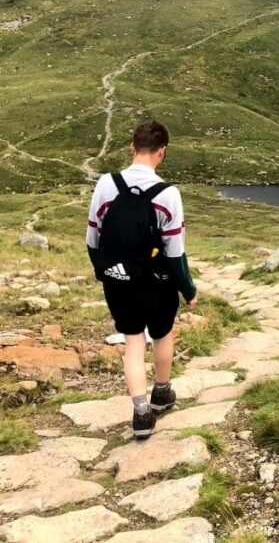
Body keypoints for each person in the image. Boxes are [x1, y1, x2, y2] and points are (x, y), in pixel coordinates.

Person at [85, 121, 198, 439]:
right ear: (162, 151)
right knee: (162, 334)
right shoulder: (168, 194)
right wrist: (188, 289)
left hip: (118, 279)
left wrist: (107, 272)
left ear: (132, 147)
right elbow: (175, 252)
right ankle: (161, 393)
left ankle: (141, 413)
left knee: (133, 342)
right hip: (156, 281)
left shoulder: (106, 183)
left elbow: (92, 238)